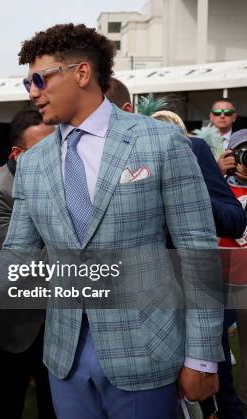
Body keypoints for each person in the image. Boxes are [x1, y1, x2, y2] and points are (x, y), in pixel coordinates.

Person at [0, 23, 223, 419]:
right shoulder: (34, 162)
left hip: (146, 351)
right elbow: (16, 256)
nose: (32, 91)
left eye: (40, 78)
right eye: (27, 81)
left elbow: (198, 249)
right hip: (64, 359)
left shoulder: (159, 141)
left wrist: (204, 357)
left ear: (81, 73)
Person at [151, 110, 246, 419]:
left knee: (216, 399)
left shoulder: (195, 151)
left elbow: (234, 219)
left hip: (195, 302)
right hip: (141, 307)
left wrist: (186, 197)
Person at [0, 110, 56, 419]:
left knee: (55, 404)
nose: (54, 156)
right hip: (15, 324)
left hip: (59, 319)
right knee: (8, 400)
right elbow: (16, 264)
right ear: (17, 153)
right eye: (42, 149)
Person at [219, 130, 247, 414]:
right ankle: (226, 406)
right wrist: (215, 174)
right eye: (240, 152)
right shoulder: (217, 186)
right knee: (218, 351)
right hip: (220, 281)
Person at [211, 99, 239, 175]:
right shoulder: (199, 141)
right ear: (211, 117)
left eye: (228, 113)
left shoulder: (243, 141)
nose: (222, 116)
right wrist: (217, 169)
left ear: (234, 117)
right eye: (217, 113)